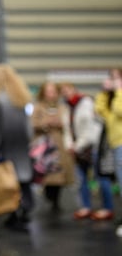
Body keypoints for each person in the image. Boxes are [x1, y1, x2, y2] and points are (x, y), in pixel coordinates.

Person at [0, 64, 34, 231]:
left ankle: (13, 212)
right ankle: (25, 209)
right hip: (21, 145)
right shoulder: (21, 97)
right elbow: (29, 127)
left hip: (5, 146)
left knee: (8, 181)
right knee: (23, 179)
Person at [60, 81, 114, 221]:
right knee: (81, 179)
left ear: (74, 89)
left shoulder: (86, 103)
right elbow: (67, 128)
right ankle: (85, 207)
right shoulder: (66, 106)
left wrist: (76, 146)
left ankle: (107, 208)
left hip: (92, 147)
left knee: (101, 178)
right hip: (78, 148)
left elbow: (90, 130)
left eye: (68, 89)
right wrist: (69, 145)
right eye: (63, 90)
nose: (66, 92)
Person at [31, 81, 74, 211]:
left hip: (60, 145)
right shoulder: (38, 107)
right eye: (48, 91)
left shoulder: (63, 107)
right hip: (44, 146)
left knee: (59, 174)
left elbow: (69, 124)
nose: (51, 94)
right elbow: (32, 124)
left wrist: (61, 124)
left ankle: (56, 200)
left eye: (53, 91)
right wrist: (46, 123)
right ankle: (49, 195)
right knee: (47, 174)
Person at [94, 68, 122, 237]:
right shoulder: (113, 98)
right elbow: (100, 111)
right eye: (111, 78)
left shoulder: (120, 97)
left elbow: (120, 111)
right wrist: (105, 93)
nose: (113, 80)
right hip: (115, 145)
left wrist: (119, 90)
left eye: (116, 77)